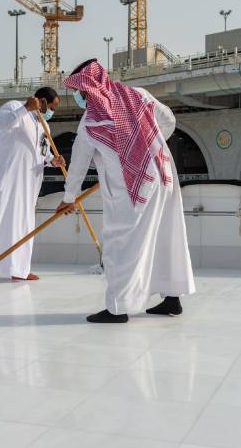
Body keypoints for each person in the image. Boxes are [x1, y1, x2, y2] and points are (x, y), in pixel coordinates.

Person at [55, 59, 195, 323]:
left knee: (120, 246)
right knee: (166, 235)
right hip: (162, 175)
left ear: (89, 87)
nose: (81, 96)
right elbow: (169, 120)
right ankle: (172, 299)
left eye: (81, 91)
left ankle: (118, 308)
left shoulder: (91, 121)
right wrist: (146, 146)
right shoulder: (139, 95)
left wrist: (68, 198)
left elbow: (79, 164)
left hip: (130, 190)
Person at [0, 87, 66, 287]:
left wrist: (53, 160)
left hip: (27, 183)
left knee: (23, 223)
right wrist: (26, 107)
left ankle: (20, 270)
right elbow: (4, 125)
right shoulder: (13, 107)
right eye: (51, 107)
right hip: (3, 177)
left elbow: (41, 152)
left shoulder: (44, 127)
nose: (52, 112)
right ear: (41, 101)